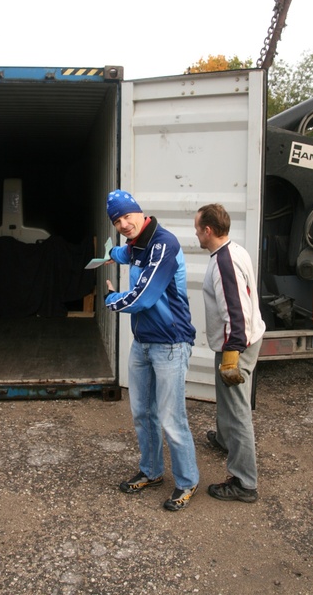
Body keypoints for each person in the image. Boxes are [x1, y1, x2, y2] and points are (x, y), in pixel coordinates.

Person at [104, 189, 199, 511]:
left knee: (172, 419)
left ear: (140, 213)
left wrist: (112, 300)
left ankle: (187, 482)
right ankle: (152, 472)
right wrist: (108, 255)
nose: (123, 224)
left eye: (126, 216)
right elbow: (124, 255)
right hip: (143, 343)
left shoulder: (164, 244)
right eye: (117, 220)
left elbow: (143, 297)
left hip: (170, 344)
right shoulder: (137, 246)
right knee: (143, 414)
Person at [194, 203, 266, 503]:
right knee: (226, 399)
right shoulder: (235, 250)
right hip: (240, 340)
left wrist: (232, 353)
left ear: (208, 230)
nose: (195, 233)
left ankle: (245, 482)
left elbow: (236, 311)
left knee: (237, 412)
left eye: (198, 228)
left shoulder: (224, 261)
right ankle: (225, 440)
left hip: (237, 344)